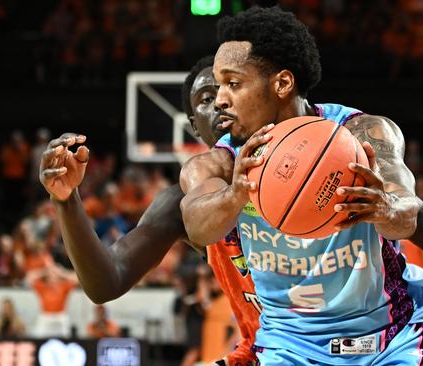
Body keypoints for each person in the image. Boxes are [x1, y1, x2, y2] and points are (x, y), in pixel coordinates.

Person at [179, 6, 423, 365]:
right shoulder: (221, 165)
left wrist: (388, 210)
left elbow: (420, 221)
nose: (221, 99)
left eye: (233, 84)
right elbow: (197, 224)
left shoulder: (360, 135)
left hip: (385, 344)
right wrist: (238, 191)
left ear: (282, 84)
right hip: (289, 348)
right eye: (219, 86)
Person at [38, 56, 260, 365]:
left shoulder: (315, 167)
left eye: (231, 88)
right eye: (207, 98)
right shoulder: (180, 202)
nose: (221, 102)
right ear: (193, 126)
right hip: (268, 350)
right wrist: (66, 200)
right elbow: (107, 281)